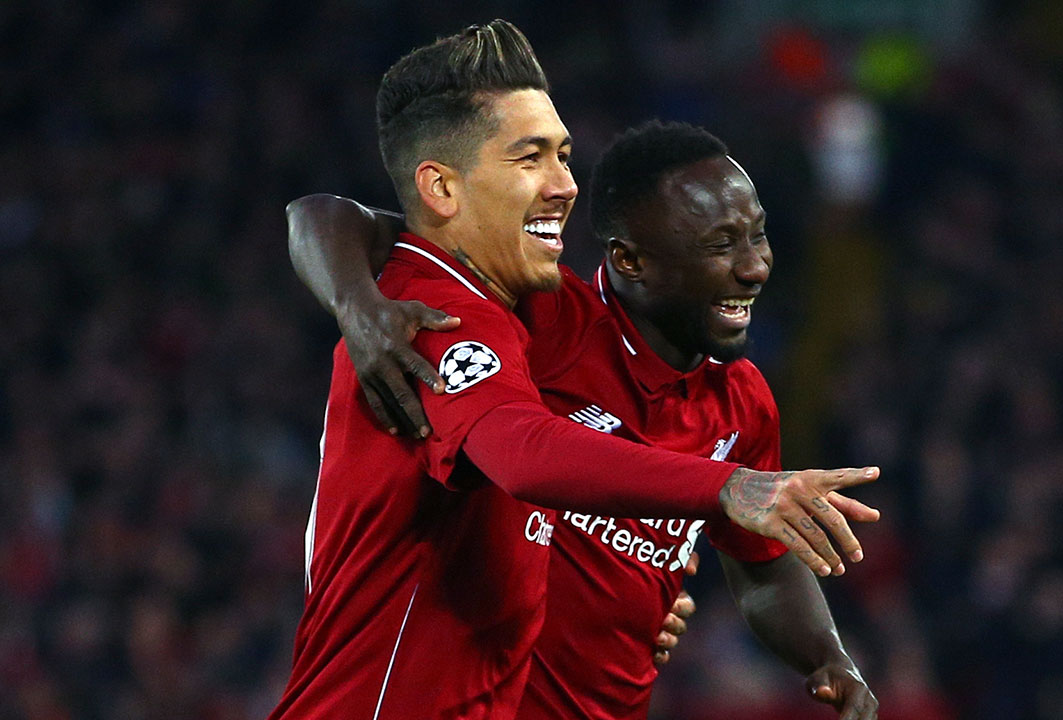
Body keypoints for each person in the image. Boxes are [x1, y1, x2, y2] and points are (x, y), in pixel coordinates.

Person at [270, 20, 880, 720]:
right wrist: (355, 301)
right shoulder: (450, 314)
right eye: (531, 158)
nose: (565, 184)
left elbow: (755, 565)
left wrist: (817, 651)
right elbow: (523, 452)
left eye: (563, 156)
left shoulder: (734, 400)